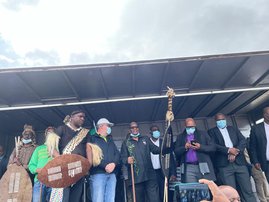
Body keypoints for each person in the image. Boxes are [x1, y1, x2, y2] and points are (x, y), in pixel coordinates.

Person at [208, 113, 256, 202]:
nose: (221, 122)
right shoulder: (211, 132)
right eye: (219, 120)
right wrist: (228, 150)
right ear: (215, 121)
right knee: (230, 193)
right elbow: (213, 145)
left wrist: (235, 151)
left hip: (240, 163)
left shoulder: (233, 128)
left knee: (247, 190)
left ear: (225, 119)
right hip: (224, 166)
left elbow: (243, 141)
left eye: (222, 120)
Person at [121, 121, 170, 202]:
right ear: (129, 130)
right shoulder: (126, 143)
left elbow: (156, 150)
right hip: (136, 177)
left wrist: (167, 146)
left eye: (136, 127)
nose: (135, 129)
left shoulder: (145, 139)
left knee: (154, 198)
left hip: (150, 175)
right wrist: (127, 160)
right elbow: (122, 158)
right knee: (139, 199)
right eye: (132, 128)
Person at [51, 110, 92, 202]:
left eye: (84, 117)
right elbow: (51, 147)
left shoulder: (85, 132)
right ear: (71, 117)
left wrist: (88, 165)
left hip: (80, 168)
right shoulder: (61, 129)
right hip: (64, 168)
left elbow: (88, 149)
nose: (82, 119)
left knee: (76, 198)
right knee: (63, 197)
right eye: (80, 116)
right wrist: (61, 160)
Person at [174, 118, 216, 183]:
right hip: (188, 167)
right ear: (185, 126)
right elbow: (176, 151)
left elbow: (212, 148)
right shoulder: (180, 137)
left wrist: (200, 147)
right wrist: (185, 147)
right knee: (191, 189)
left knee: (205, 188)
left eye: (192, 127)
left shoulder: (203, 134)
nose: (190, 128)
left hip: (203, 165)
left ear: (195, 125)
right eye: (188, 127)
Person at [88, 118, 120, 202]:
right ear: (101, 126)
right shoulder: (92, 139)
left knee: (110, 199)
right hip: (98, 174)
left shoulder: (110, 139)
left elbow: (117, 154)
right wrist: (105, 165)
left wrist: (113, 164)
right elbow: (93, 156)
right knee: (98, 199)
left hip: (112, 174)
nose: (109, 127)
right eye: (108, 125)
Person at [28, 127, 60, 202]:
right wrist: (37, 170)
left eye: (52, 133)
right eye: (48, 133)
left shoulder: (59, 149)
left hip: (54, 181)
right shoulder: (39, 149)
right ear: (45, 135)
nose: (50, 135)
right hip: (40, 181)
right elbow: (31, 165)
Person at [149, 125, 177, 202]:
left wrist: (173, 173)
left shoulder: (164, 143)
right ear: (150, 132)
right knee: (153, 194)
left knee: (165, 193)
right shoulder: (147, 143)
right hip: (151, 173)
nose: (156, 132)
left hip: (163, 172)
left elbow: (170, 158)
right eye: (154, 130)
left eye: (157, 130)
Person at [249, 106, 269, 182]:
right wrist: (255, 161)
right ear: (265, 115)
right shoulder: (256, 129)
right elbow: (252, 147)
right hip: (266, 162)